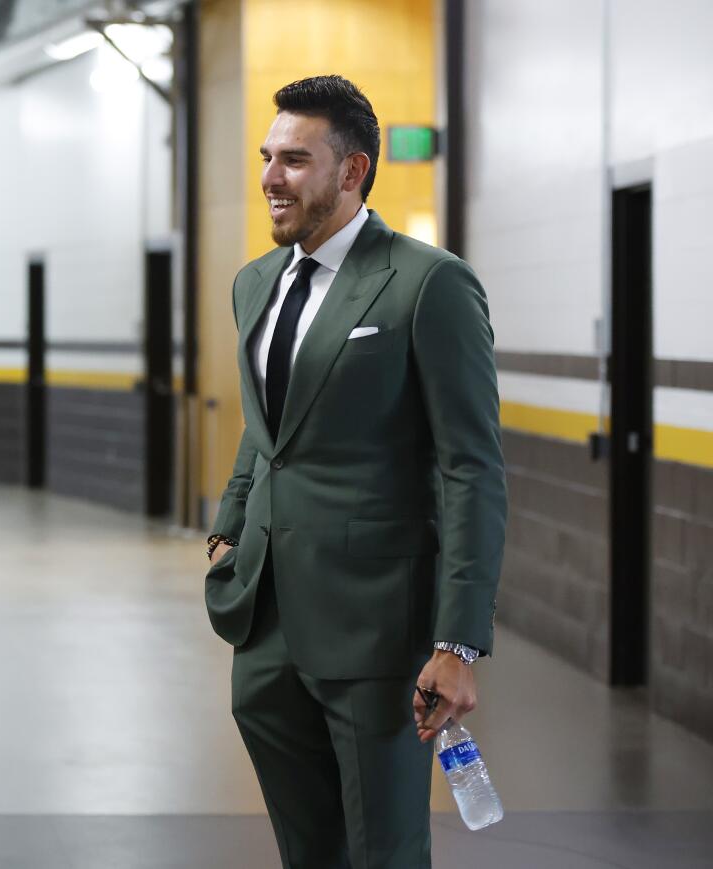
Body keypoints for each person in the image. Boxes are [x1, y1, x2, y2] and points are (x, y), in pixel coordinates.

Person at [204, 75, 506, 868]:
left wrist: (459, 642)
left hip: (379, 629)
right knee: (309, 851)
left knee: (384, 850)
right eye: (268, 157)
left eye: (296, 159)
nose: (271, 176)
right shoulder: (256, 284)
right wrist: (229, 527)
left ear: (352, 171)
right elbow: (269, 425)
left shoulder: (426, 283)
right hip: (265, 622)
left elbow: (472, 467)